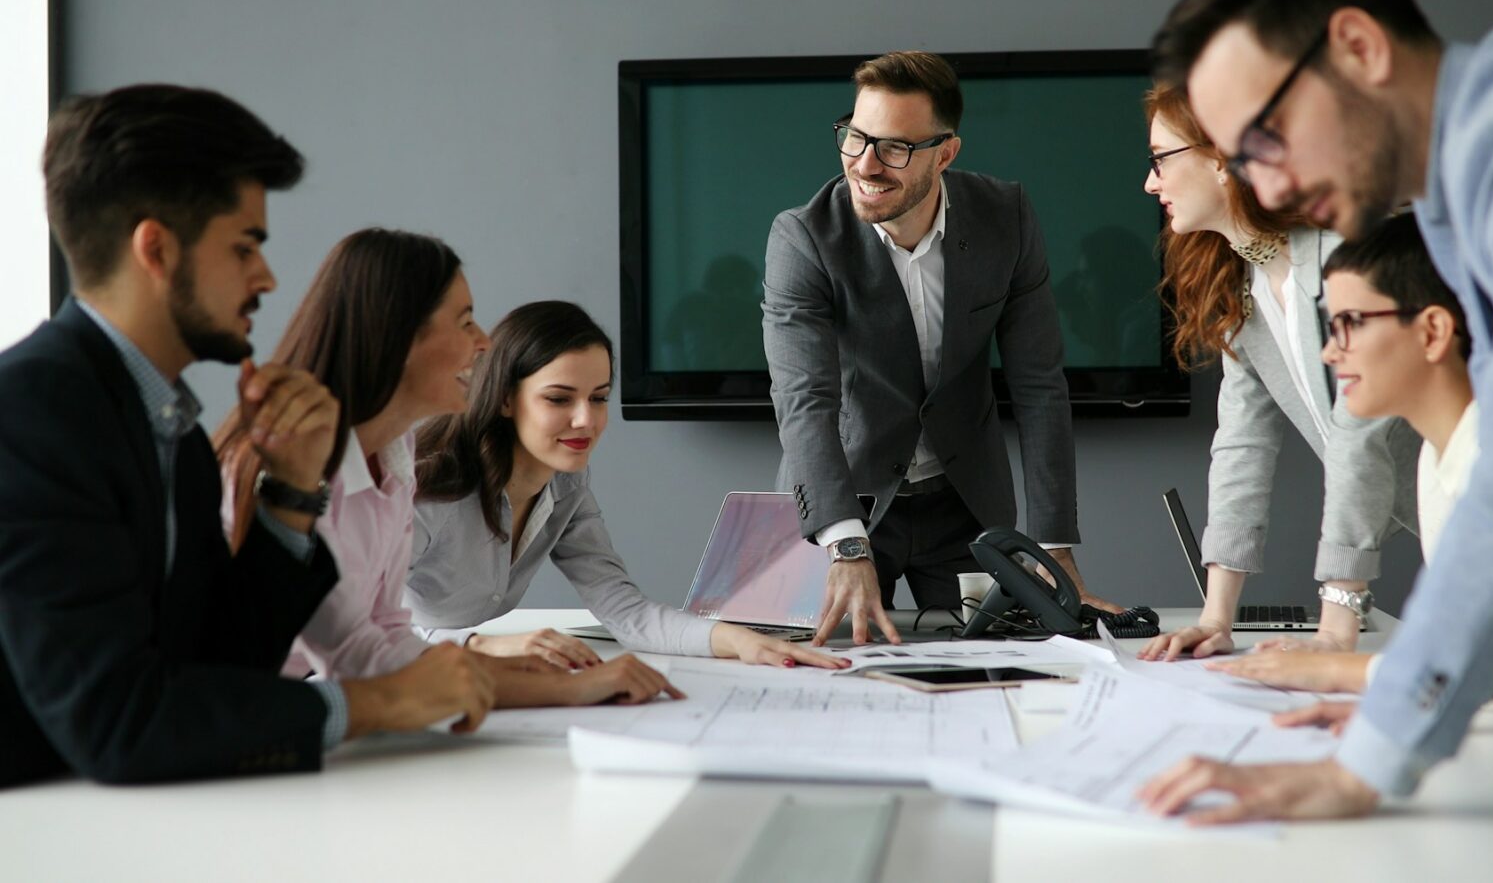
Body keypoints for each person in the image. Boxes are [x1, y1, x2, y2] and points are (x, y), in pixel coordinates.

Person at [1138, 0, 1493, 822]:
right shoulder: (1454, 204)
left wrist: (1372, 750)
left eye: (1265, 138)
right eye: (1241, 160)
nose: (1263, 182)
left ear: (1358, 47)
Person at [0, 84, 495, 787]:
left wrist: (292, 492)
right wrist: (376, 703)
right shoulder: (31, 413)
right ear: (157, 250)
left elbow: (219, 672)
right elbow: (118, 723)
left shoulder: (174, 433)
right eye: (245, 246)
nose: (266, 277)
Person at [216, 230, 681, 708]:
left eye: (598, 398)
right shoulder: (307, 472)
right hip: (246, 729)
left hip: (284, 721)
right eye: (464, 322)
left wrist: (551, 681)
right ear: (396, 337)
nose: (483, 344)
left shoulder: (394, 465)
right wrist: (563, 685)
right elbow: (352, 658)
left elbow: (384, 644)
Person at [762, 49, 1122, 647]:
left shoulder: (1005, 216)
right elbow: (805, 400)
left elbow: (1039, 387)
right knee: (831, 680)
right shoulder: (803, 238)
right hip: (846, 504)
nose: (866, 164)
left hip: (967, 508)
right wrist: (847, 545)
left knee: (992, 674)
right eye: (855, 137)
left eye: (895, 147)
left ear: (946, 153)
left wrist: (1054, 550)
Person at [1211, 214, 1493, 717]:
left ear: (1434, 330)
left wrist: (1336, 671)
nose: (1329, 352)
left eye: (1350, 324)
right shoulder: (1438, 459)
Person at [1134, 84, 1418, 662]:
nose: (1150, 182)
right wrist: (1216, 618)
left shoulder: (1348, 251)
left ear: (1220, 158)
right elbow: (1243, 442)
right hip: (1451, 520)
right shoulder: (1242, 280)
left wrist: (1338, 624)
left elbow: (1361, 431)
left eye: (1160, 158)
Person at [407, 301, 849, 672]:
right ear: (505, 398)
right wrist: (480, 646)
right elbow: (352, 632)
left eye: (598, 397)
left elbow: (622, 608)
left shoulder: (567, 483)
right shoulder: (428, 492)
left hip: (459, 677)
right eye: (559, 399)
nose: (586, 420)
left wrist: (739, 642)